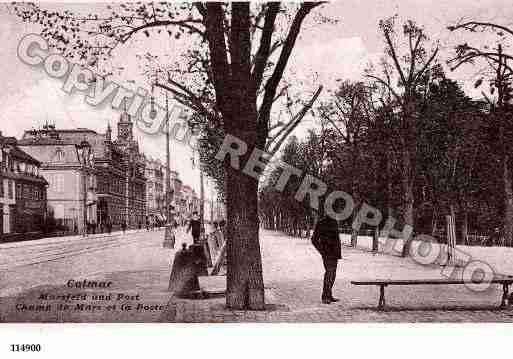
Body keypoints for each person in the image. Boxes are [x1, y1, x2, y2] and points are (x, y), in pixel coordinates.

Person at [311, 214, 341, 304]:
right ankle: (325, 297)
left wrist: (338, 252)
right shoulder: (321, 223)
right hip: (327, 253)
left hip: (335, 253)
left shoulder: (335, 222)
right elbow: (314, 240)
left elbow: (336, 239)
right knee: (329, 273)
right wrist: (322, 250)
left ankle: (329, 294)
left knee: (333, 274)